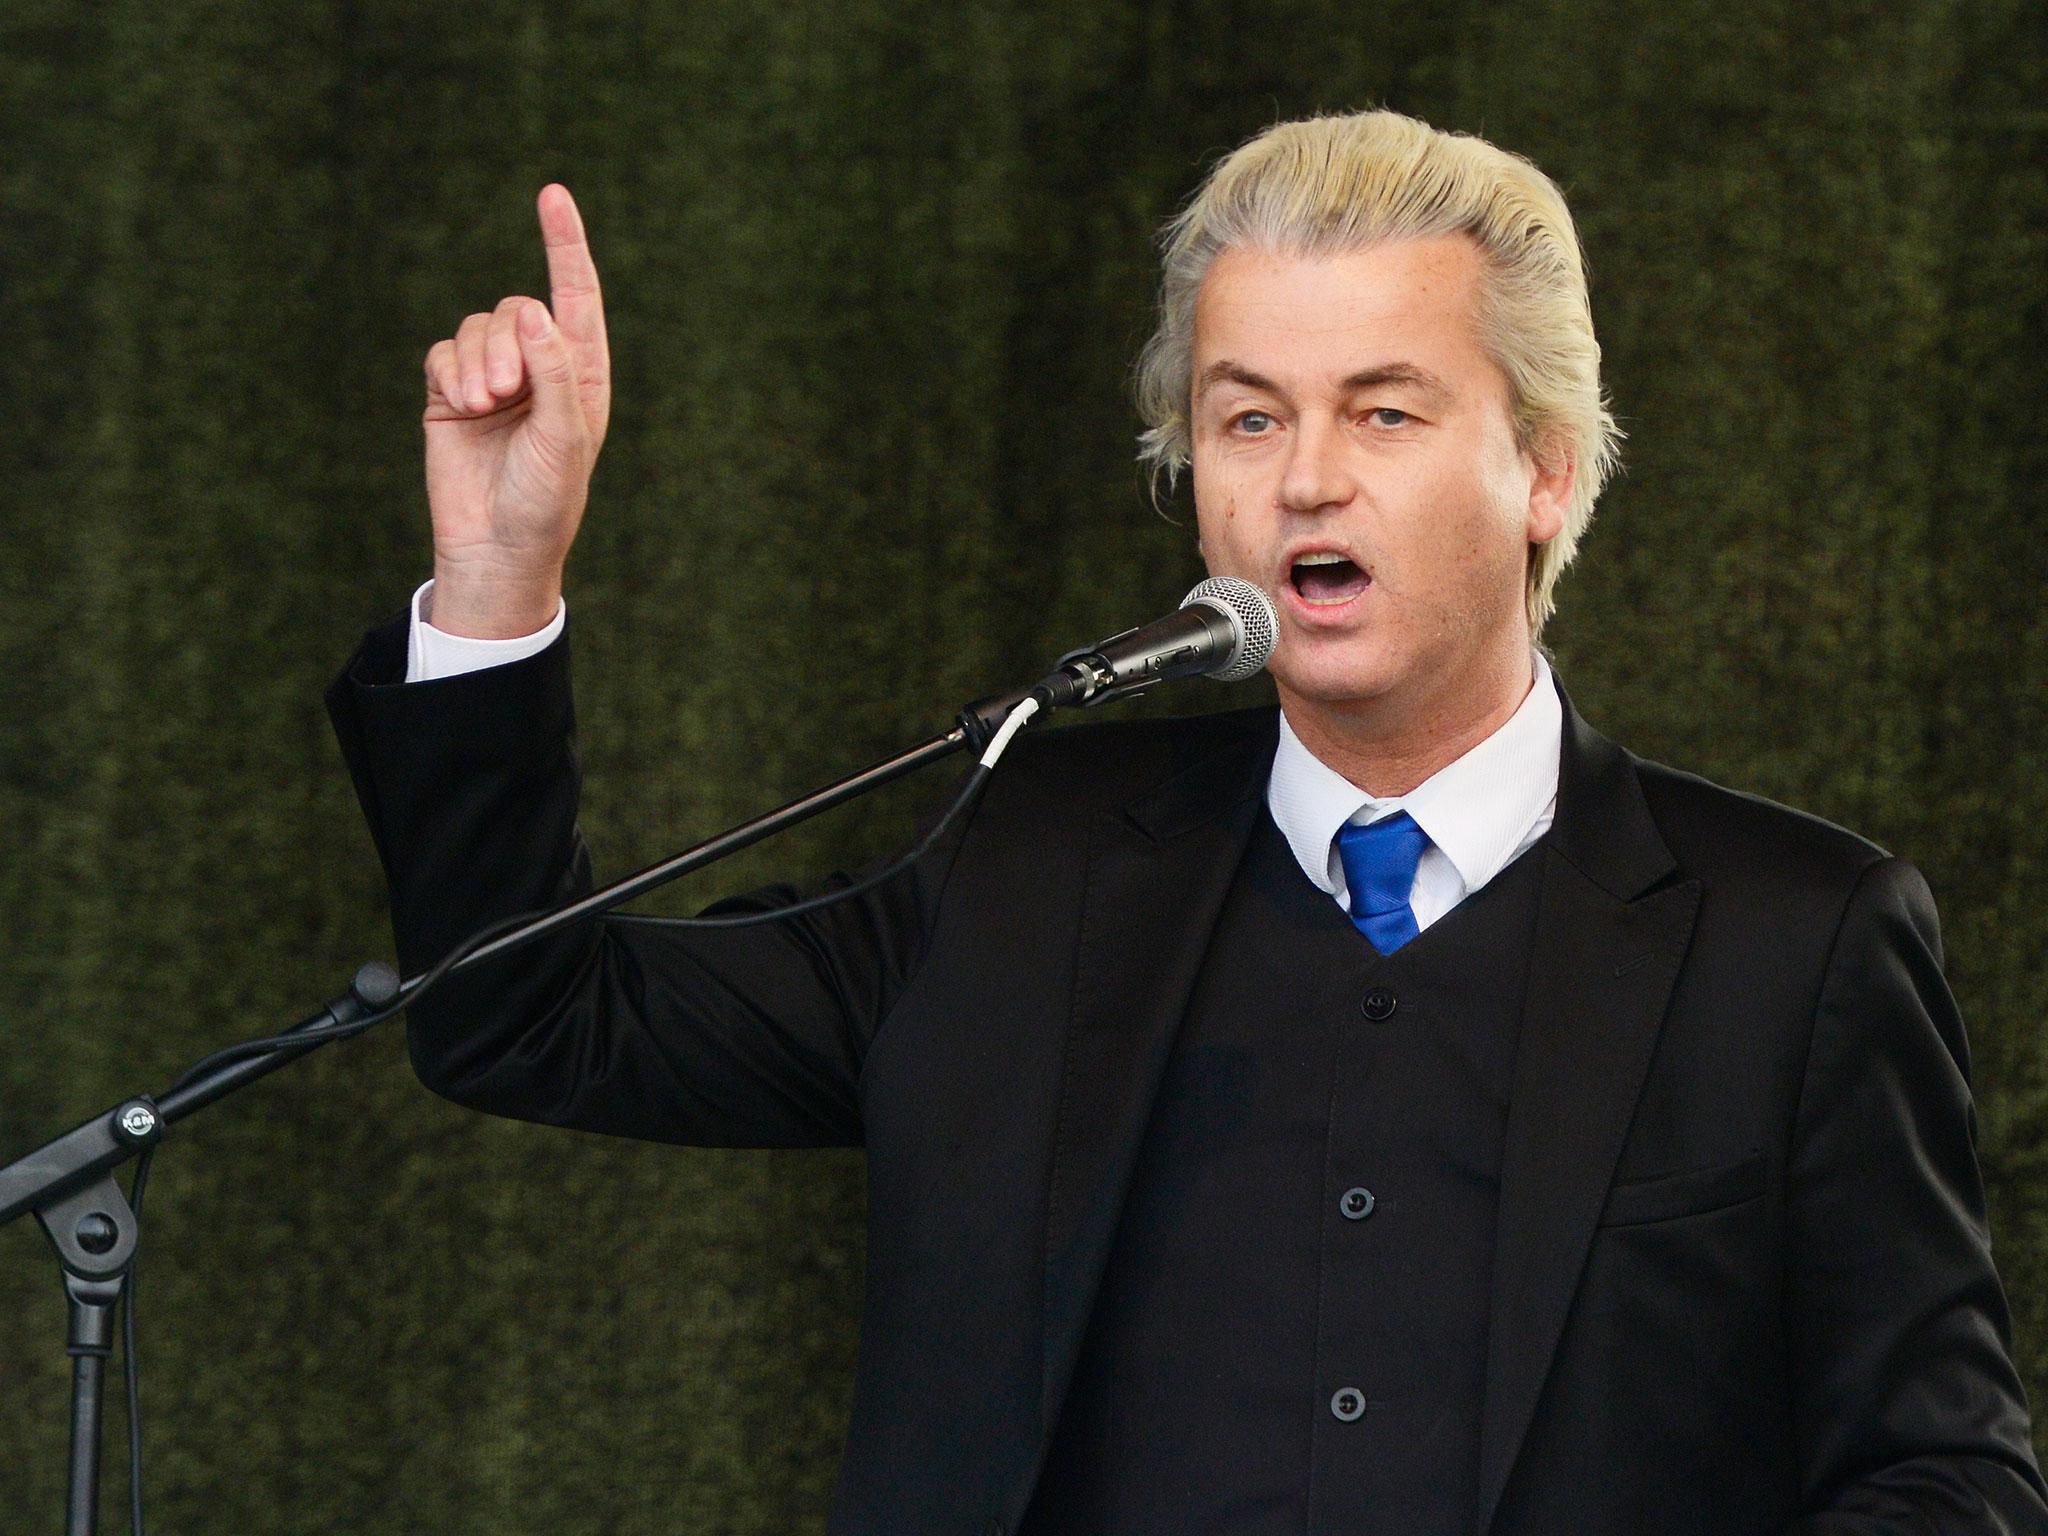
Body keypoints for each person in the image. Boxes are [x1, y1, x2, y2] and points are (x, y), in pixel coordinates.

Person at [327, 109, 2048, 1534]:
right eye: (1247, 417)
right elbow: (521, 1013)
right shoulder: (1015, 871)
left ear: (1546, 471)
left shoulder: (1795, 937)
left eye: (1383, 410)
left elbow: (1945, 1475)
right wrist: (496, 582)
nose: (1304, 477)